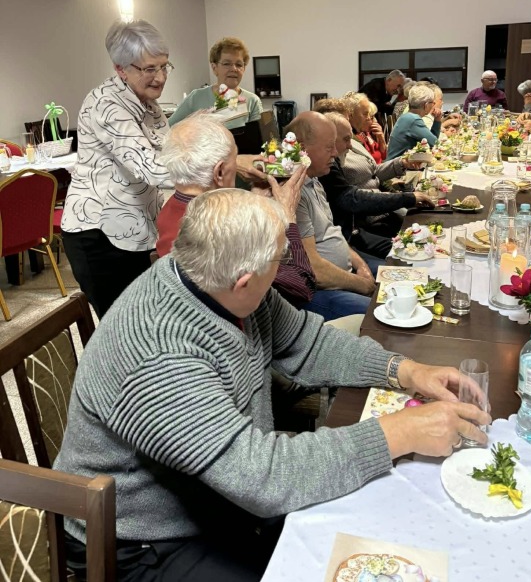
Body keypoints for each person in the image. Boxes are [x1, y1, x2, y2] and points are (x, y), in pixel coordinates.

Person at [54, 188, 490, 582]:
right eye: (279, 261)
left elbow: (307, 342)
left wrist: (406, 371)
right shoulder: (159, 356)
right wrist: (399, 432)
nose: (284, 268)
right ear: (244, 281)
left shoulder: (216, 279)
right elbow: (262, 478)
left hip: (217, 492)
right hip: (141, 540)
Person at [61, 19, 172, 319]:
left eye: (164, 66)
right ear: (121, 69)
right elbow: (152, 168)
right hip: (98, 234)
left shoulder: (147, 103)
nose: (161, 77)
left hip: (135, 226)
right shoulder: (106, 104)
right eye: (150, 69)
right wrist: (222, 164)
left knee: (145, 316)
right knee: (122, 324)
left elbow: (170, 151)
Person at [156, 112, 315, 306]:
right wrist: (287, 216)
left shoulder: (169, 209)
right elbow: (300, 289)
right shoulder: (222, 231)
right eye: (236, 159)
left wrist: (255, 205)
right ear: (220, 172)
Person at [289, 111, 382, 317]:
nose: (335, 153)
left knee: (401, 277)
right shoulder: (293, 194)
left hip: (343, 273)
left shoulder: (314, 180)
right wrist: (361, 284)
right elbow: (314, 269)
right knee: (382, 312)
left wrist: (360, 265)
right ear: (302, 149)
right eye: (328, 147)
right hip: (317, 291)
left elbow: (332, 233)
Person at [319, 113, 434, 258]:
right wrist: (405, 197)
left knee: (422, 238)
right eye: (365, 114)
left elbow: (373, 173)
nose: (370, 118)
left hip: (357, 227)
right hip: (361, 225)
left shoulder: (347, 148)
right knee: (412, 251)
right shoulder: (324, 167)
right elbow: (352, 198)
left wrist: (401, 165)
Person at [169, 37, 262, 128]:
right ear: (214, 68)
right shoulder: (195, 98)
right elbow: (167, 129)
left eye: (239, 64)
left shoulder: (252, 101)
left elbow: (260, 136)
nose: (234, 69)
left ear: (244, 68)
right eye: (226, 64)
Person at [386, 85, 442, 160]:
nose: (433, 105)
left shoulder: (407, 117)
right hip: (397, 166)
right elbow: (435, 143)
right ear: (426, 105)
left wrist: (437, 120)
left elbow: (431, 141)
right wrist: (438, 121)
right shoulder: (413, 120)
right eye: (432, 103)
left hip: (397, 163)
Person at [343, 92, 387, 162]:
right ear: (350, 115)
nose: (369, 118)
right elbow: (370, 165)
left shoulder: (363, 132)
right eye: (365, 114)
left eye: (371, 115)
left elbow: (384, 156)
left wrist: (381, 138)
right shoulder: (348, 138)